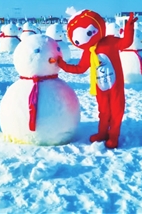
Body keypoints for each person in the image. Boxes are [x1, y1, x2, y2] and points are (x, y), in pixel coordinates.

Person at [57, 10, 137, 149]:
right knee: (104, 112)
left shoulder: (110, 42)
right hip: (100, 87)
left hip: (115, 85)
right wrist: (62, 64)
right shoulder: (88, 52)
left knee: (117, 111)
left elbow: (126, 42)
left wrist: (129, 27)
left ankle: (113, 136)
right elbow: (80, 68)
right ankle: (102, 133)